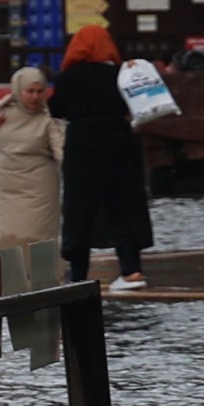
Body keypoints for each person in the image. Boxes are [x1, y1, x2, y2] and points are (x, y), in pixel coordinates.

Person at [48, 24, 158, 291]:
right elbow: (138, 105)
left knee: (80, 206)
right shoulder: (121, 74)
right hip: (120, 142)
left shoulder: (68, 77)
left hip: (83, 143)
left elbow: (56, 109)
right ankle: (131, 271)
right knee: (124, 203)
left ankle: (78, 275)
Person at [0, 62, 64, 259]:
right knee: (0, 236)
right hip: (7, 186)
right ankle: (0, 278)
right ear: (19, 90)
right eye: (30, 91)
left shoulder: (48, 120)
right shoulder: (4, 113)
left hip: (39, 189)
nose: (34, 97)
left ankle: (39, 278)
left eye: (39, 91)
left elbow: (62, 151)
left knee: (37, 235)